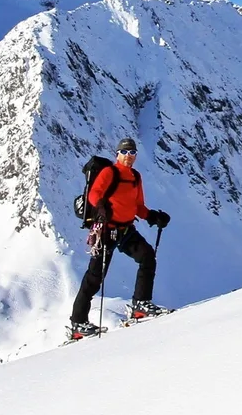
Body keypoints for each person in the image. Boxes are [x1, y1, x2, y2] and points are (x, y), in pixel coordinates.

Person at [67, 138, 172, 339]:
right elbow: (94, 194)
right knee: (95, 277)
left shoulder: (135, 177)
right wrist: (101, 207)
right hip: (106, 230)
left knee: (147, 256)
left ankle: (140, 304)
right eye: (125, 152)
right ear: (117, 154)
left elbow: (138, 206)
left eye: (132, 152)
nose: (129, 156)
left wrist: (152, 217)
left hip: (125, 229)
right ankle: (78, 323)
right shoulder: (110, 172)